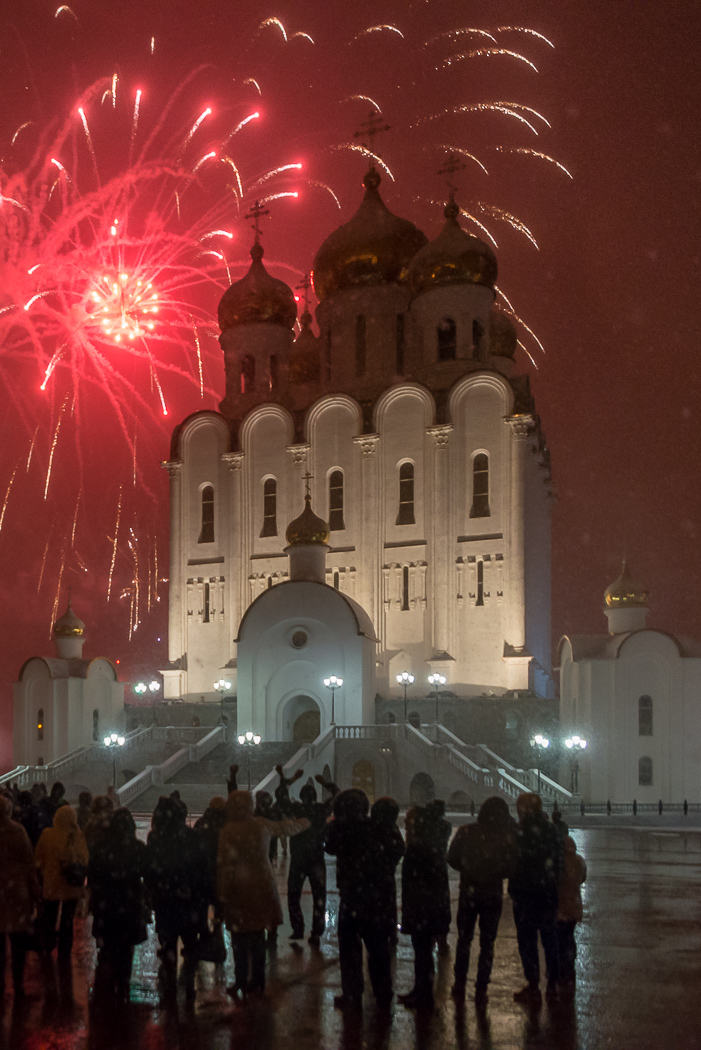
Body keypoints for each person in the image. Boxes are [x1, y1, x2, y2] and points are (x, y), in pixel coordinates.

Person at [217, 789, 309, 1000]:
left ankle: (241, 979)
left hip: (239, 890)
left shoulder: (228, 831)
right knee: (258, 936)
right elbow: (287, 828)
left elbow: (225, 867)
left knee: (239, 938)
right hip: (262, 885)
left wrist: (222, 894)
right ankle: (258, 981)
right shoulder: (261, 825)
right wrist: (306, 821)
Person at [324, 789, 400, 1011]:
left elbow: (329, 845)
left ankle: (352, 993)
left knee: (350, 948)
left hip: (352, 896)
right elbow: (397, 849)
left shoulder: (341, 830)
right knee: (378, 948)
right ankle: (383, 992)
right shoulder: (379, 827)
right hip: (378, 897)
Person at [448, 796, 517, 1004]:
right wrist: (494, 873)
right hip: (492, 894)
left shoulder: (467, 831)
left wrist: (469, 870)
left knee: (464, 939)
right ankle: (481, 986)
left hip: (469, 892)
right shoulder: (504, 836)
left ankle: (459, 983)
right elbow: (512, 864)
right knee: (487, 943)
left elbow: (451, 858)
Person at [89, 807, 149, 1006]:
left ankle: (107, 984)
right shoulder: (137, 848)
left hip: (106, 904)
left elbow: (93, 876)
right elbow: (146, 874)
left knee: (107, 946)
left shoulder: (100, 848)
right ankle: (123, 983)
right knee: (126, 947)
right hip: (129, 904)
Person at [509, 792, 564, 1005]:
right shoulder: (550, 829)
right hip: (547, 892)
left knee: (527, 940)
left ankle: (533, 984)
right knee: (550, 937)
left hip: (524, 894)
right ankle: (552, 984)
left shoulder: (519, 831)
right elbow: (558, 862)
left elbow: (510, 860)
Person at [275, 767, 339, 947]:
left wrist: (287, 778)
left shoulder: (296, 809)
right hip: (316, 857)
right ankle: (316, 932)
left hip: (298, 857)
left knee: (293, 895)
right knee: (319, 895)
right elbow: (337, 796)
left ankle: (297, 929)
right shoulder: (321, 810)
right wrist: (326, 784)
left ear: (302, 797)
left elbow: (281, 797)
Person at [145, 796, 200, 1002]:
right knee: (190, 943)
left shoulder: (156, 837)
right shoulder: (192, 837)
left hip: (165, 899)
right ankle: (188, 983)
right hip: (188, 900)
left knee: (168, 944)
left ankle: (169, 986)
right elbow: (201, 868)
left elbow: (150, 869)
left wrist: (151, 892)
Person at [399, 799, 452, 1011]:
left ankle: (424, 995)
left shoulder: (419, 847)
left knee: (422, 952)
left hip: (422, 906)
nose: (405, 823)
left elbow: (415, 879)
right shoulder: (431, 843)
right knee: (422, 952)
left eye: (409, 820)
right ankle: (421, 990)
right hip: (428, 905)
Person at [34, 804, 89, 958]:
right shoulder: (77, 836)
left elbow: (38, 858)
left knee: (49, 918)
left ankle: (48, 945)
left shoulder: (47, 834)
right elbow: (84, 860)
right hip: (71, 884)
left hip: (52, 883)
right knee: (67, 921)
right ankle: (64, 950)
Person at [0, 795, 40, 999]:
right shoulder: (18, 831)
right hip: (16, 893)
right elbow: (29, 862)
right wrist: (35, 891)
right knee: (18, 944)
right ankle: (18, 984)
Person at [368, 797, 405, 949]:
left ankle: (375, 931)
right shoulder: (392, 828)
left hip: (371, 876)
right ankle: (391, 934)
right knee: (389, 906)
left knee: (373, 906)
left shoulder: (370, 827)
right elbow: (400, 848)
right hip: (386, 875)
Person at [556, 835, 587, 996]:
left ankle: (563, 971)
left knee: (561, 940)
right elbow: (582, 879)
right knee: (569, 938)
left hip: (561, 907)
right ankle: (570, 969)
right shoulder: (579, 861)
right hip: (574, 906)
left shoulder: (559, 862)